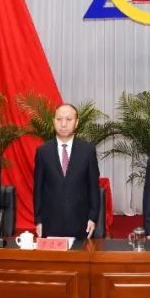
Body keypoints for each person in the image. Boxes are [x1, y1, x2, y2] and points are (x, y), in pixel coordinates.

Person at [33, 103, 101, 240]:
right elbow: (38, 189)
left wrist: (92, 218)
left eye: (68, 119)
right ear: (54, 122)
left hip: (81, 223)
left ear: (76, 123)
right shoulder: (43, 151)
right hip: (51, 223)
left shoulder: (87, 151)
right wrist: (38, 220)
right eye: (59, 119)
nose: (63, 124)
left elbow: (93, 187)